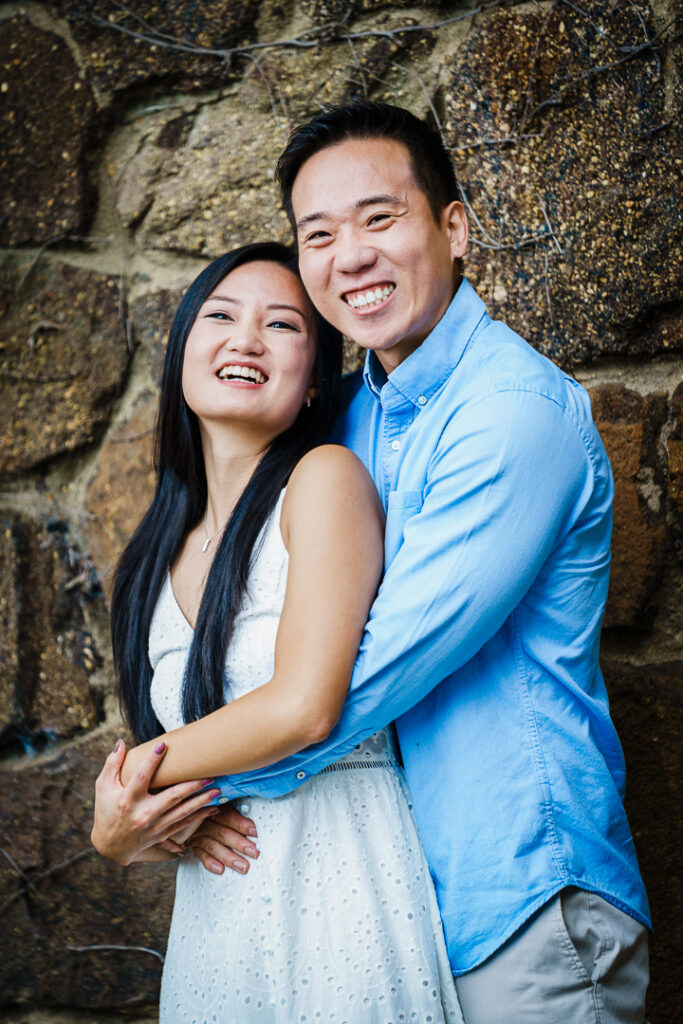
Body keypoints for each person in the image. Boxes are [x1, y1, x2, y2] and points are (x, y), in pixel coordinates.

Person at [187, 102, 652, 1023]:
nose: (349, 256)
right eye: (319, 235)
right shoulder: (347, 419)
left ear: (454, 227)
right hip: (389, 905)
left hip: (520, 902)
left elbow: (364, 675)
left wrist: (170, 787)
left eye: (379, 218)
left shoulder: (512, 412)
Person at [91, 241, 464, 1023]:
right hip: (218, 913)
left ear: (314, 379)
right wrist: (136, 829)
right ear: (181, 350)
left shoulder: (323, 480)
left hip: (336, 878)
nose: (246, 340)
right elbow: (186, 772)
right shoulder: (156, 551)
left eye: (282, 325)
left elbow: (302, 707)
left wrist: (128, 792)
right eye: (220, 316)